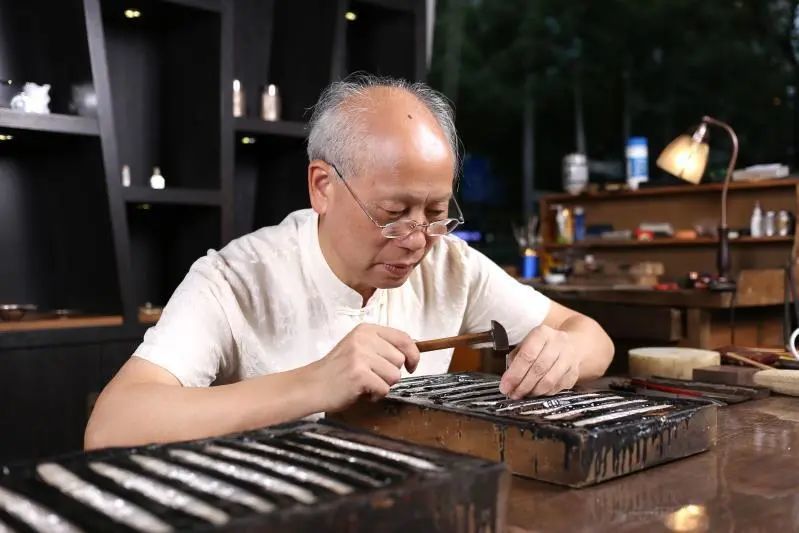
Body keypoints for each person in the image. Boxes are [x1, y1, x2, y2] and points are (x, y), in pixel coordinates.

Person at [85, 75, 613, 450]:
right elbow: (114, 424)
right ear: (323, 186)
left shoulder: (451, 264)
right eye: (393, 213)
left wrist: (563, 351)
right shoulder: (235, 280)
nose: (417, 241)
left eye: (434, 212)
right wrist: (315, 383)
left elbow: (588, 335)